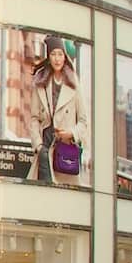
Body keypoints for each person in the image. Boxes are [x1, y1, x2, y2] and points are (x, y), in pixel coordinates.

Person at [32, 36, 89, 181]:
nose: (57, 59)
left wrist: (70, 133)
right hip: (45, 149)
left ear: (65, 57)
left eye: (60, 54)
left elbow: (83, 122)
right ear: (48, 57)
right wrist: (38, 146)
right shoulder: (40, 83)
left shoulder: (74, 84)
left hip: (64, 150)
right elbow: (34, 118)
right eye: (53, 54)